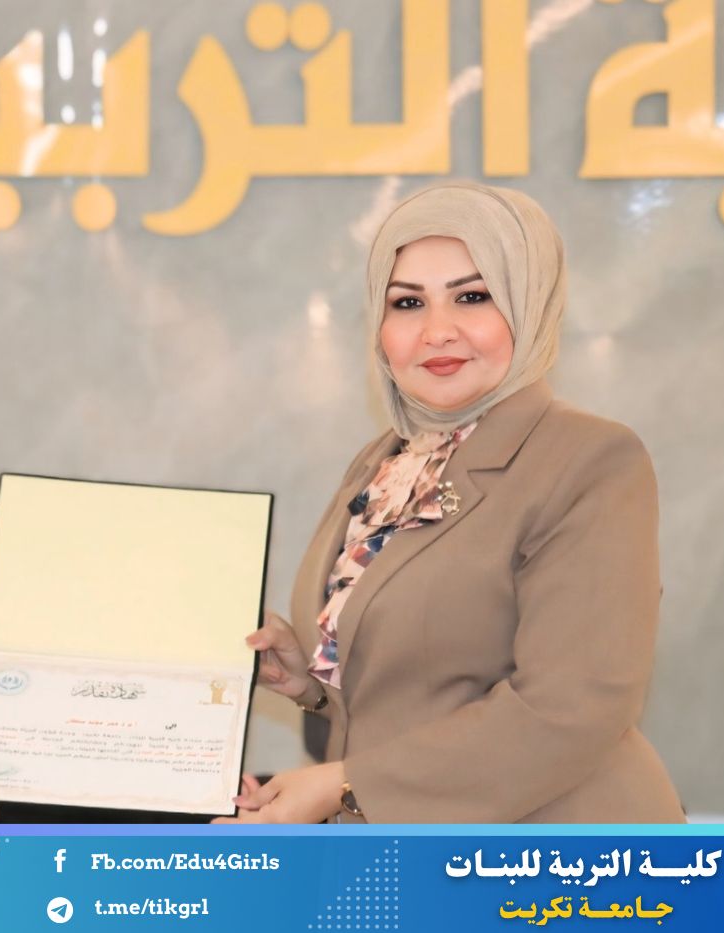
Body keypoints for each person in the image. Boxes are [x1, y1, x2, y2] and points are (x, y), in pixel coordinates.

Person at [223, 181, 685, 823]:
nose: (437, 331)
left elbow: (572, 705)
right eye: (407, 302)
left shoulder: (588, 458)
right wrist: (312, 685)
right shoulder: (388, 461)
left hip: (554, 849)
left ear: (529, 304)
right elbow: (424, 691)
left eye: (472, 296)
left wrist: (345, 784)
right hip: (413, 848)